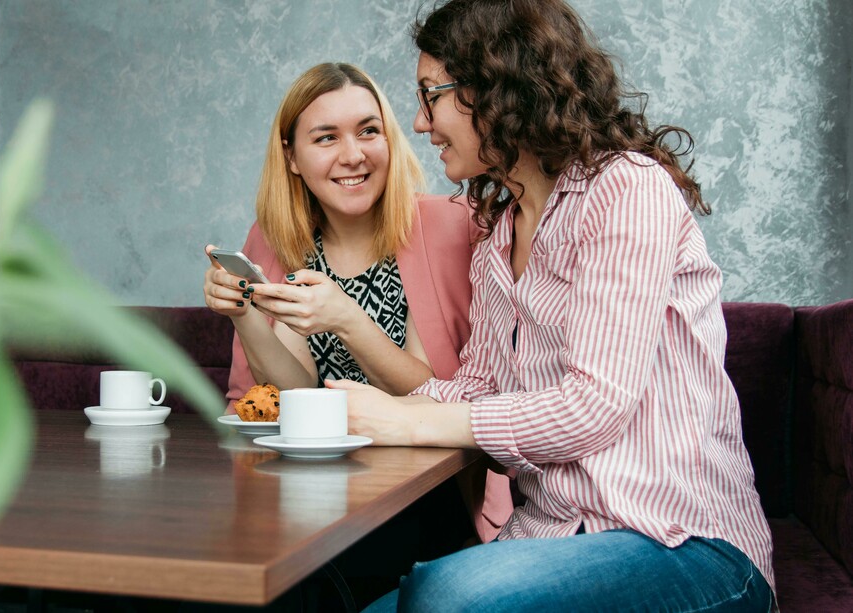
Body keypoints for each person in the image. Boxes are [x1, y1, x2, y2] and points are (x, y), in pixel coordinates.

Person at [328, 1, 777, 610]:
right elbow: (478, 389)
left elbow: (595, 405)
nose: (420, 121)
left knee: (446, 594)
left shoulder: (626, 188)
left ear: (496, 87)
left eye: (431, 95)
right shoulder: (498, 239)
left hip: (685, 545)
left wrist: (406, 420)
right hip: (550, 538)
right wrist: (363, 410)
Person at [203, 62, 514, 541]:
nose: (354, 156)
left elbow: (437, 397)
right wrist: (244, 315)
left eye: (369, 131)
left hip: (430, 496)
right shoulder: (274, 240)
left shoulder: (452, 226)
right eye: (326, 138)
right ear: (291, 157)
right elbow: (294, 393)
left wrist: (347, 319)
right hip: (307, 490)